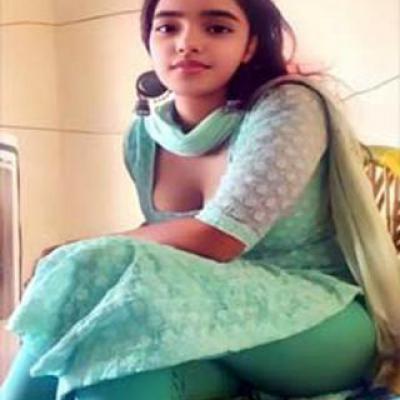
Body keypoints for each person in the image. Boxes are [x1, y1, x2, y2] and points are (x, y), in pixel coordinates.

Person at [1, 0, 399, 399]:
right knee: (105, 376)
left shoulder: (288, 107)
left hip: (317, 323)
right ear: (148, 40)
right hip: (203, 332)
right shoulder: (143, 137)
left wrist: (82, 252)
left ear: (249, 45)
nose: (187, 43)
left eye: (217, 28)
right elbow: (161, 238)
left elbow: (219, 238)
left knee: (87, 267)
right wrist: (87, 258)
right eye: (167, 28)